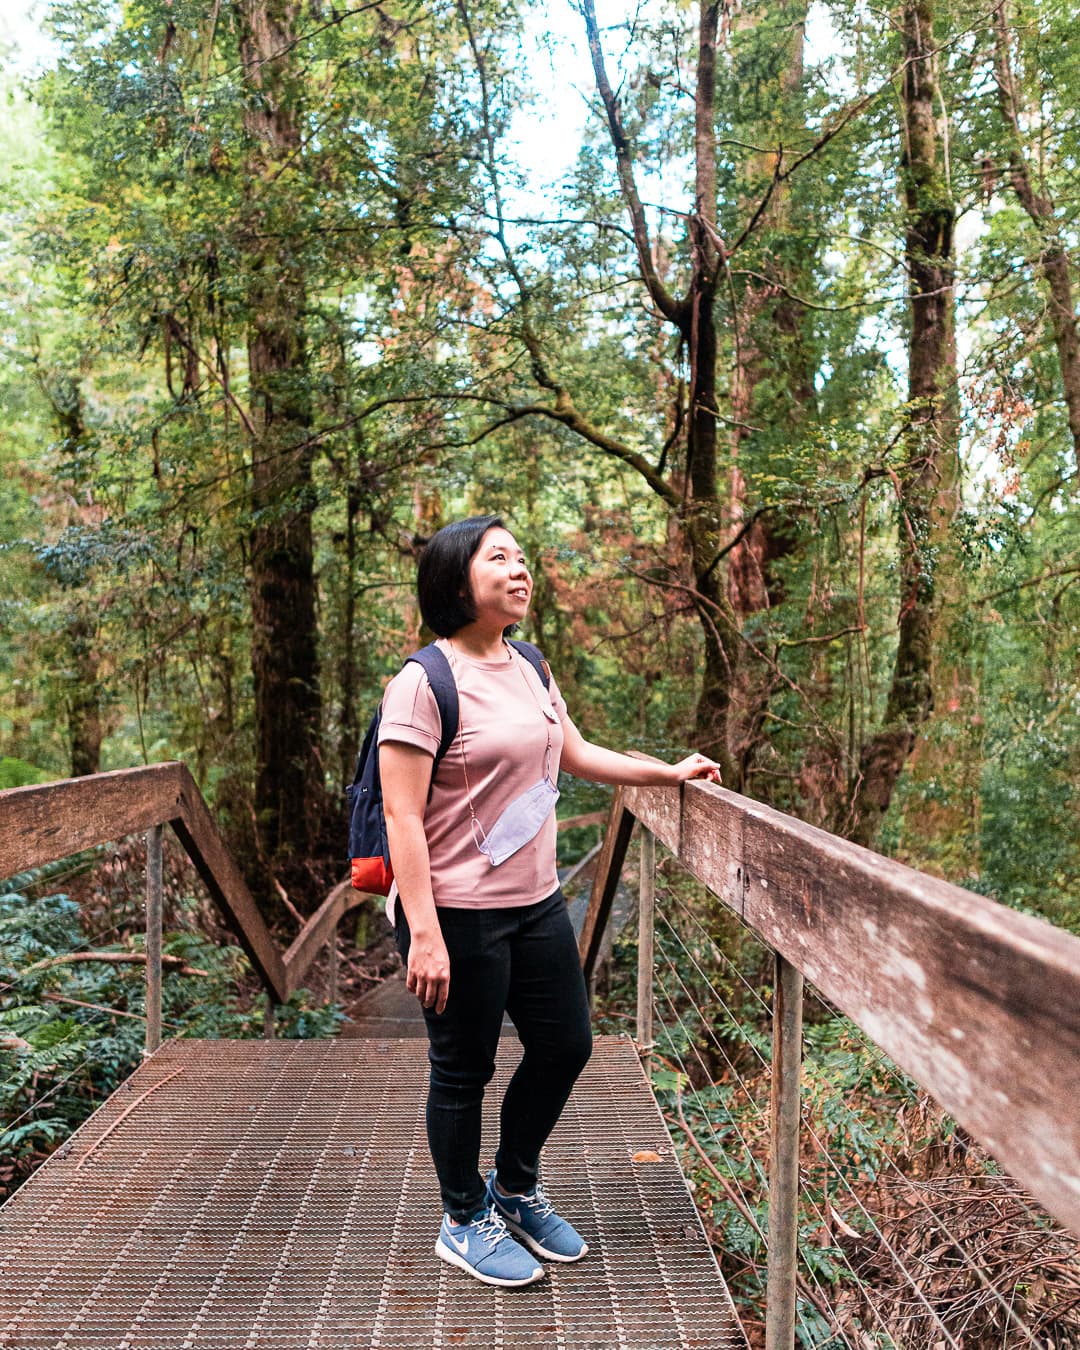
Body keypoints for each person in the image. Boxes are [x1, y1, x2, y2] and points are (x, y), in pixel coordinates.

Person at [378, 515, 721, 1289]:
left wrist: (666, 772)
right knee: (463, 1070)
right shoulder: (421, 684)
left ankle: (515, 1187)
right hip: (456, 914)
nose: (519, 568)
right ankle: (463, 1219)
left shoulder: (529, 662)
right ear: (455, 579)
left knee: (567, 1045)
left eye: (521, 556)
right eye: (498, 557)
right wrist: (423, 934)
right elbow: (402, 815)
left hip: (535, 904)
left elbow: (574, 751)